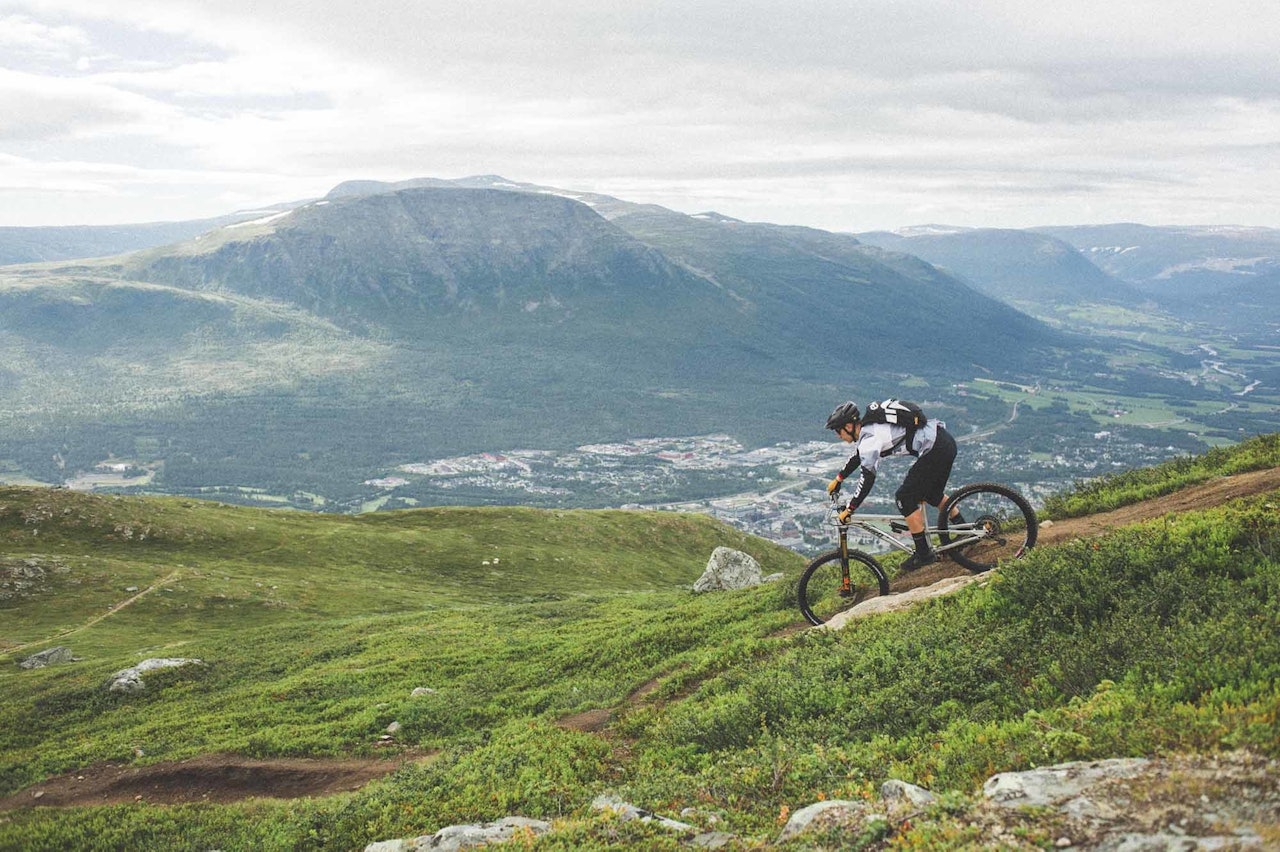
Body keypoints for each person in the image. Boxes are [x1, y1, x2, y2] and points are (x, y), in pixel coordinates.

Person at [824, 400, 961, 571]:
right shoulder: (869, 428)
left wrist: (851, 508)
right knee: (932, 494)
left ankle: (924, 554)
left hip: (935, 449)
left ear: (849, 426)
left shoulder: (869, 439)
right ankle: (962, 529)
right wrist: (839, 479)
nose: (838, 436)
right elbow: (858, 456)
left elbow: (867, 479)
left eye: (838, 431)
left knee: (904, 498)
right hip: (943, 442)